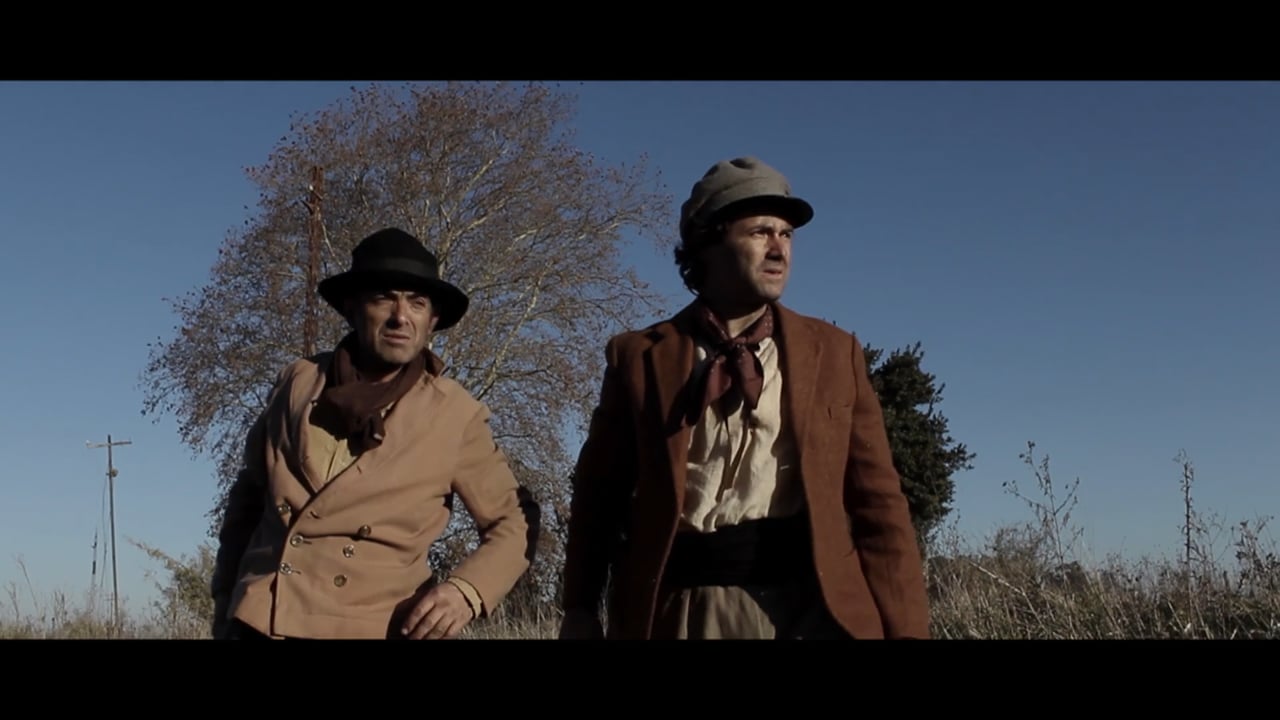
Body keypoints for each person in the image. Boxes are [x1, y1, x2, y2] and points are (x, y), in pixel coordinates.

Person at [558, 156, 930, 640]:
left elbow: (879, 506)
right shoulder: (639, 358)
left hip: (812, 611)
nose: (779, 249)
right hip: (682, 611)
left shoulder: (836, 354)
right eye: (760, 233)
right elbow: (599, 498)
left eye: (786, 235)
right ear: (709, 242)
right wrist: (580, 608)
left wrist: (907, 630)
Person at [209, 227, 539, 640]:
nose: (401, 316)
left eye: (417, 303)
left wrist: (466, 592)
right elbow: (249, 497)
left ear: (432, 320)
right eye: (384, 297)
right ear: (352, 307)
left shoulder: (455, 414)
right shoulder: (297, 382)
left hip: (374, 627)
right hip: (259, 621)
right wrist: (226, 598)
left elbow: (514, 519)